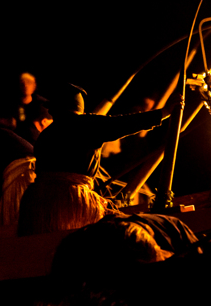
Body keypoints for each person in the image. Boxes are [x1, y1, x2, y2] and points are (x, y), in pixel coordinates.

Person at [17, 83, 175, 235]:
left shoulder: (45, 135)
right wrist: (165, 112)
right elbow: (126, 124)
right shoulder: (85, 124)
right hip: (73, 201)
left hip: (37, 202)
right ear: (79, 108)